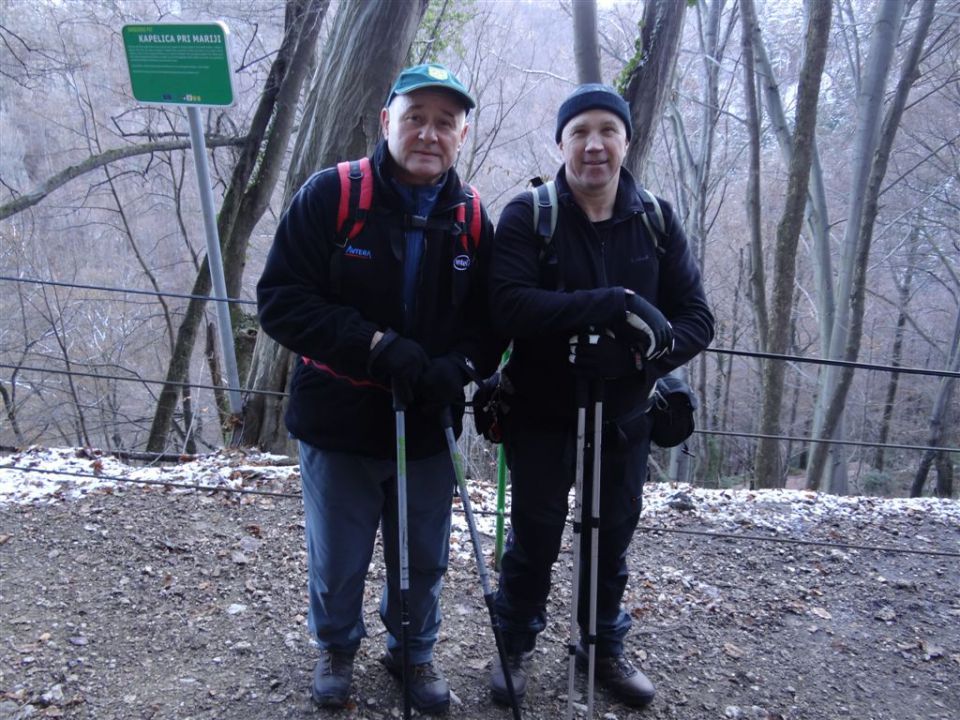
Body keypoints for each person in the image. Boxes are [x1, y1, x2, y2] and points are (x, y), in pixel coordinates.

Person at [257, 63, 500, 715]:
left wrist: (463, 367)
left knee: (423, 556)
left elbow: (489, 322)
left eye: (444, 122)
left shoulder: (473, 219)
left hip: (427, 425)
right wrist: (372, 346)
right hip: (338, 421)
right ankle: (336, 646)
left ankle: (413, 650)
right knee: (338, 556)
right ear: (387, 120)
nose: (429, 132)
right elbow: (280, 302)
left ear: (463, 134)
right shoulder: (332, 196)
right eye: (415, 116)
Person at [487, 84, 715, 709]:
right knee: (534, 533)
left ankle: (601, 644)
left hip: (624, 414)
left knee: (611, 533)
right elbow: (507, 305)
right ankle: (514, 642)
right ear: (561, 143)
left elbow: (696, 318)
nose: (594, 145)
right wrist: (614, 304)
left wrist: (641, 357)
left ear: (626, 141)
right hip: (540, 412)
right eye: (580, 131)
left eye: (607, 131)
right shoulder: (529, 216)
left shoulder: (656, 221)